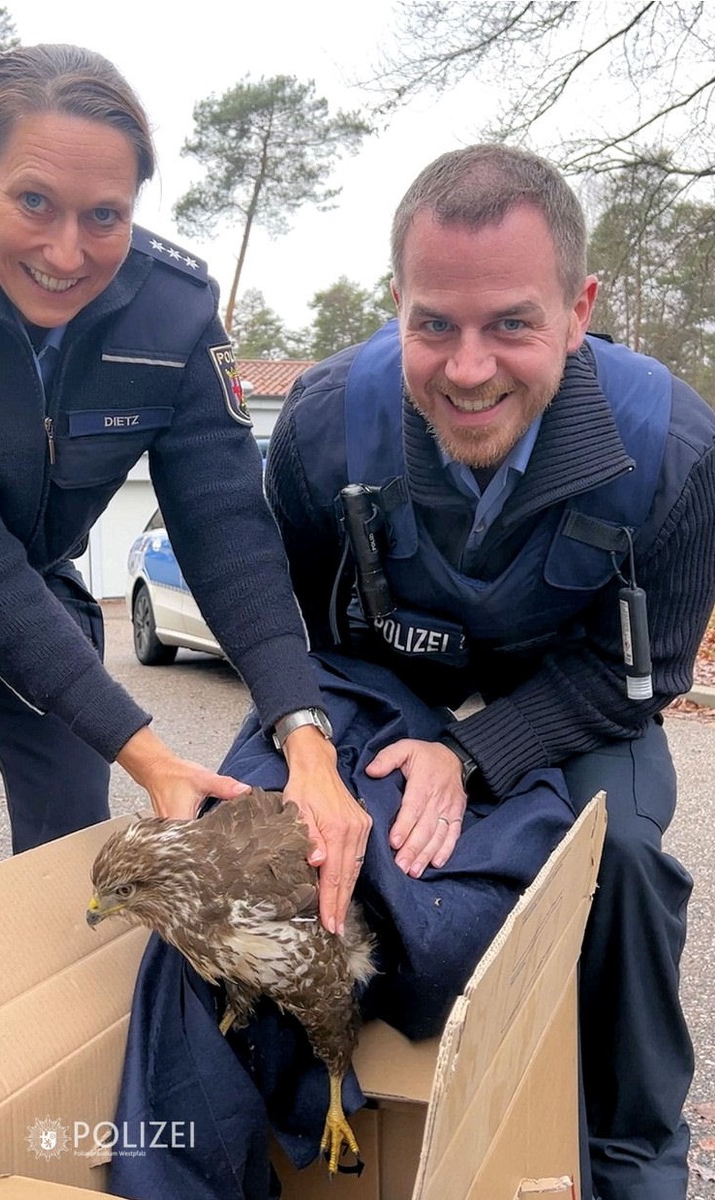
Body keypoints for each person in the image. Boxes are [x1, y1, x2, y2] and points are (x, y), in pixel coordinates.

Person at [257, 145, 715, 1198]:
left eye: (511, 322)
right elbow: (288, 629)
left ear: (577, 306)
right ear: (396, 305)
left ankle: (634, 1159)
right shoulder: (323, 424)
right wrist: (348, 756)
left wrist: (466, 754)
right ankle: (308, 1115)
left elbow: (638, 677)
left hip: (573, 693)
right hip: (382, 680)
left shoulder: (676, 449)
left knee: (626, 869)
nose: (467, 369)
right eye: (433, 324)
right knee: (307, 850)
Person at [0, 41, 369, 939]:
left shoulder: (173, 316)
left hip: (26, 569)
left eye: (103, 215)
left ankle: (39, 1029)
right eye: (34, 201)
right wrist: (151, 752)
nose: (67, 251)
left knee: (70, 805)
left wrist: (303, 732)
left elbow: (227, 530)